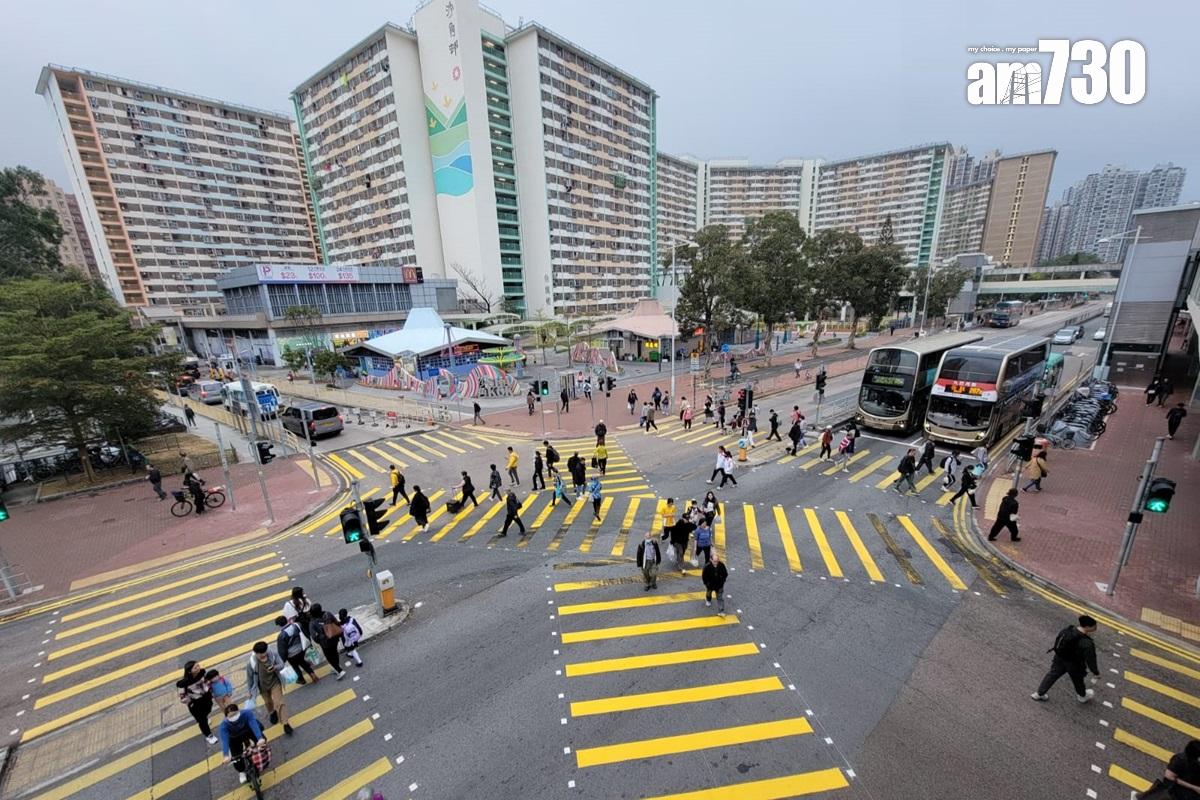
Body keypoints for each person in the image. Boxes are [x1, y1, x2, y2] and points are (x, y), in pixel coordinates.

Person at [1032, 615, 1100, 703]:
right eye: (1094, 626)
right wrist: (1096, 673)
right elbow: (1091, 659)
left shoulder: (1068, 630)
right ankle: (1082, 696)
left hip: (1060, 658)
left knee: (1052, 675)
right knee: (1078, 681)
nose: (1096, 628)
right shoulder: (1087, 642)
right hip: (1075, 665)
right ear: (1087, 627)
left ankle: (1039, 694)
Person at [245, 641, 294, 734]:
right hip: (262, 687)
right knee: (268, 702)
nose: (263, 655)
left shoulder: (273, 655)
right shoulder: (251, 664)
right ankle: (272, 712)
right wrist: (249, 691)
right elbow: (250, 678)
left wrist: (275, 667)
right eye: (260, 654)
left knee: (279, 702)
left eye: (264, 652)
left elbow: (282, 664)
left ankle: (285, 723)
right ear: (255, 653)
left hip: (275, 683)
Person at [218, 702, 266, 783]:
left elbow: (253, 724)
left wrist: (260, 738)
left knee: (262, 742)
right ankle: (241, 772)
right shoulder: (224, 726)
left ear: (239, 711)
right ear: (226, 717)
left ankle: (260, 756)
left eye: (235, 714)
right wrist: (226, 755)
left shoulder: (247, 713)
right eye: (231, 716)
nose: (234, 717)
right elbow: (225, 740)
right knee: (236, 756)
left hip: (248, 730)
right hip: (234, 738)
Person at [176, 660, 218, 744]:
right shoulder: (184, 683)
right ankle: (209, 735)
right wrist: (191, 703)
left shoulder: (202, 673)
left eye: (198, 666)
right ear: (189, 671)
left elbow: (205, 682)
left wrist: (209, 689)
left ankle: (205, 719)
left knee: (207, 710)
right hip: (195, 703)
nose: (198, 668)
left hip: (206, 698)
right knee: (202, 721)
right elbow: (182, 696)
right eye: (195, 667)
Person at [307, 603, 347, 680]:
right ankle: (337, 666)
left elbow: (314, 637)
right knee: (335, 652)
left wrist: (321, 640)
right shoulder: (328, 614)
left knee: (329, 657)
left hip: (325, 643)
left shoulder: (312, 623)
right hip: (334, 638)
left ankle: (339, 670)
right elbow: (337, 622)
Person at [275, 615, 318, 685]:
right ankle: (312, 674)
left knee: (295, 666)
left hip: (291, 655)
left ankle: (301, 679)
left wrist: (282, 660)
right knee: (303, 663)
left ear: (279, 625)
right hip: (301, 649)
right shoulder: (296, 626)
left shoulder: (282, 635)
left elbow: (282, 649)